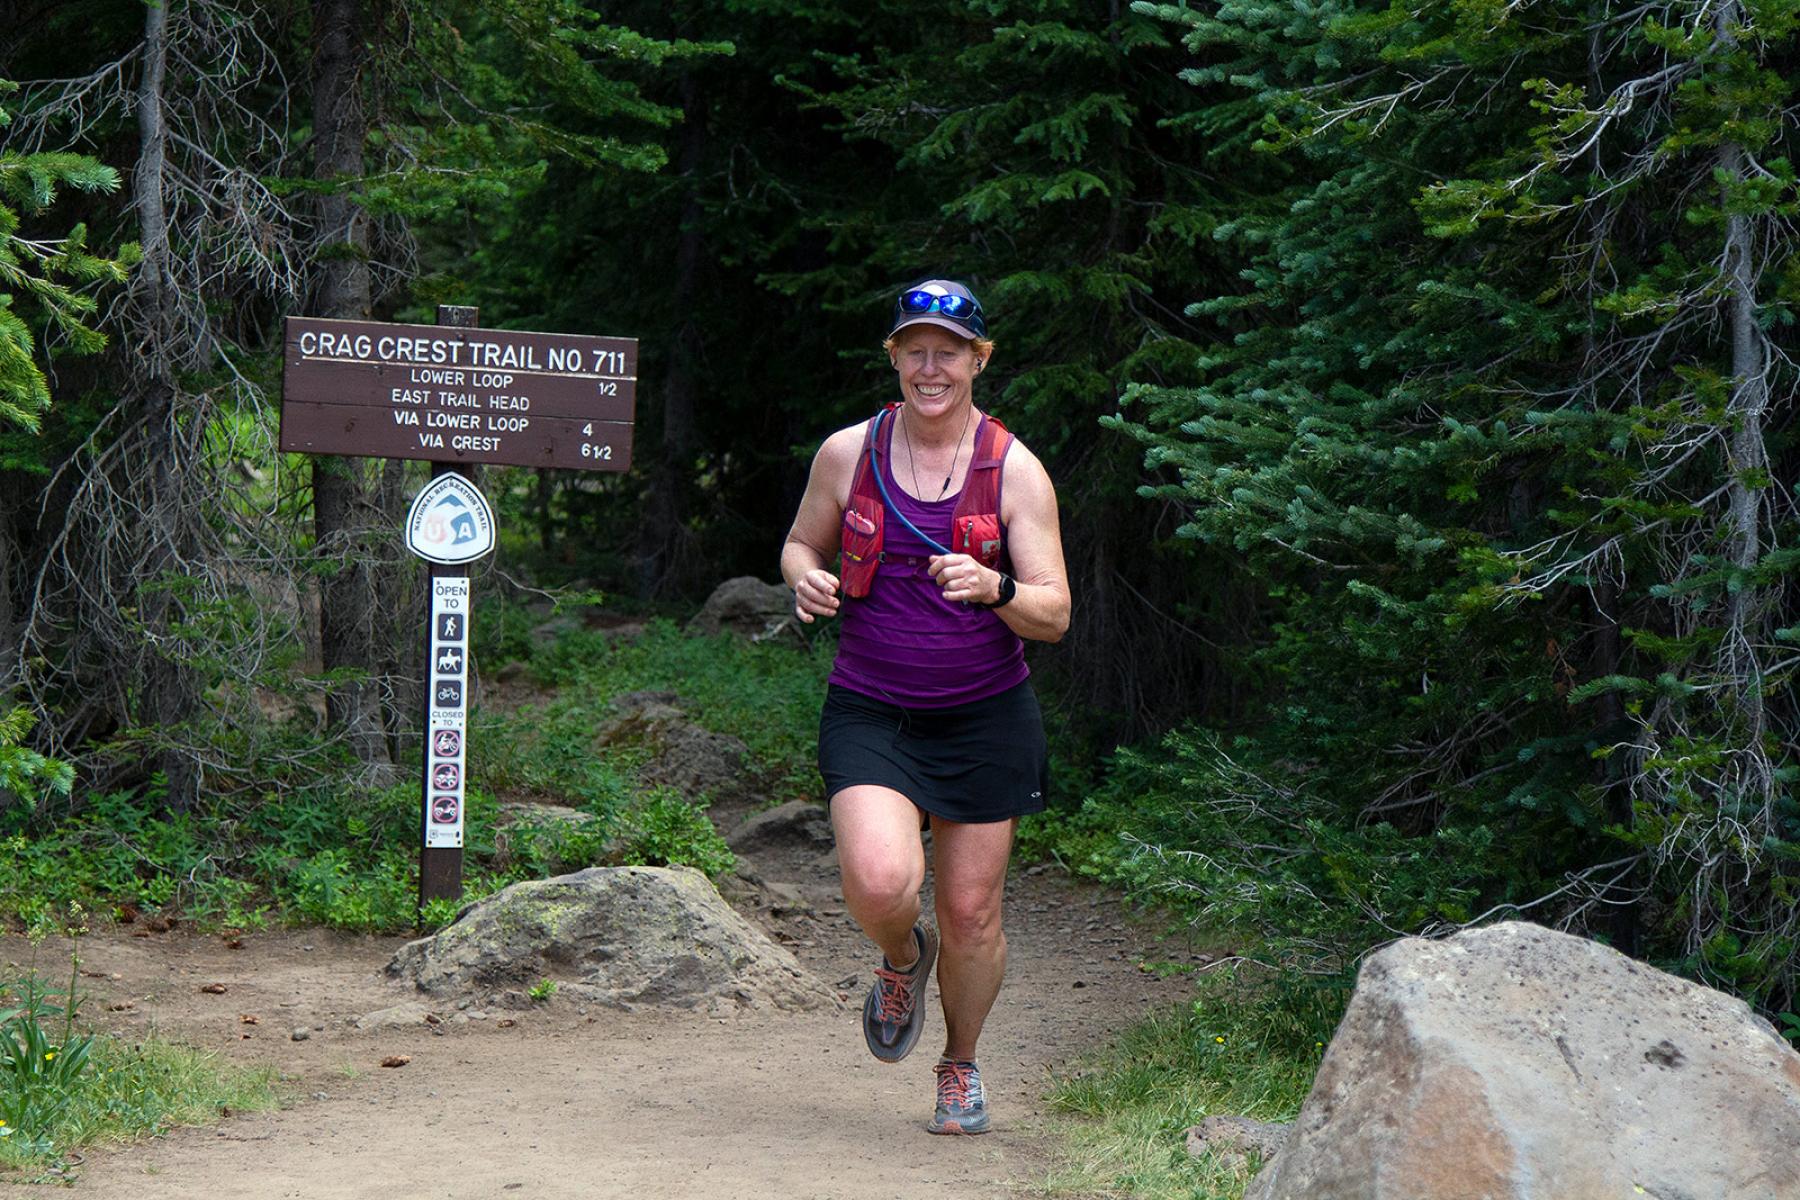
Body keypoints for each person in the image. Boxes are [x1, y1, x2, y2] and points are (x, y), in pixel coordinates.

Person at [780, 278, 1071, 1135]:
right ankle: (901, 956)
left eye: (948, 352)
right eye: (915, 351)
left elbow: (1054, 612)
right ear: (895, 358)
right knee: (881, 883)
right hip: (873, 710)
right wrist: (807, 580)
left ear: (979, 360)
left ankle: (959, 1066)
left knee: (972, 914)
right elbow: (799, 544)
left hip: (986, 717)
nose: (930, 367)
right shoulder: (849, 453)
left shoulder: (1014, 470)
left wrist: (995, 586)